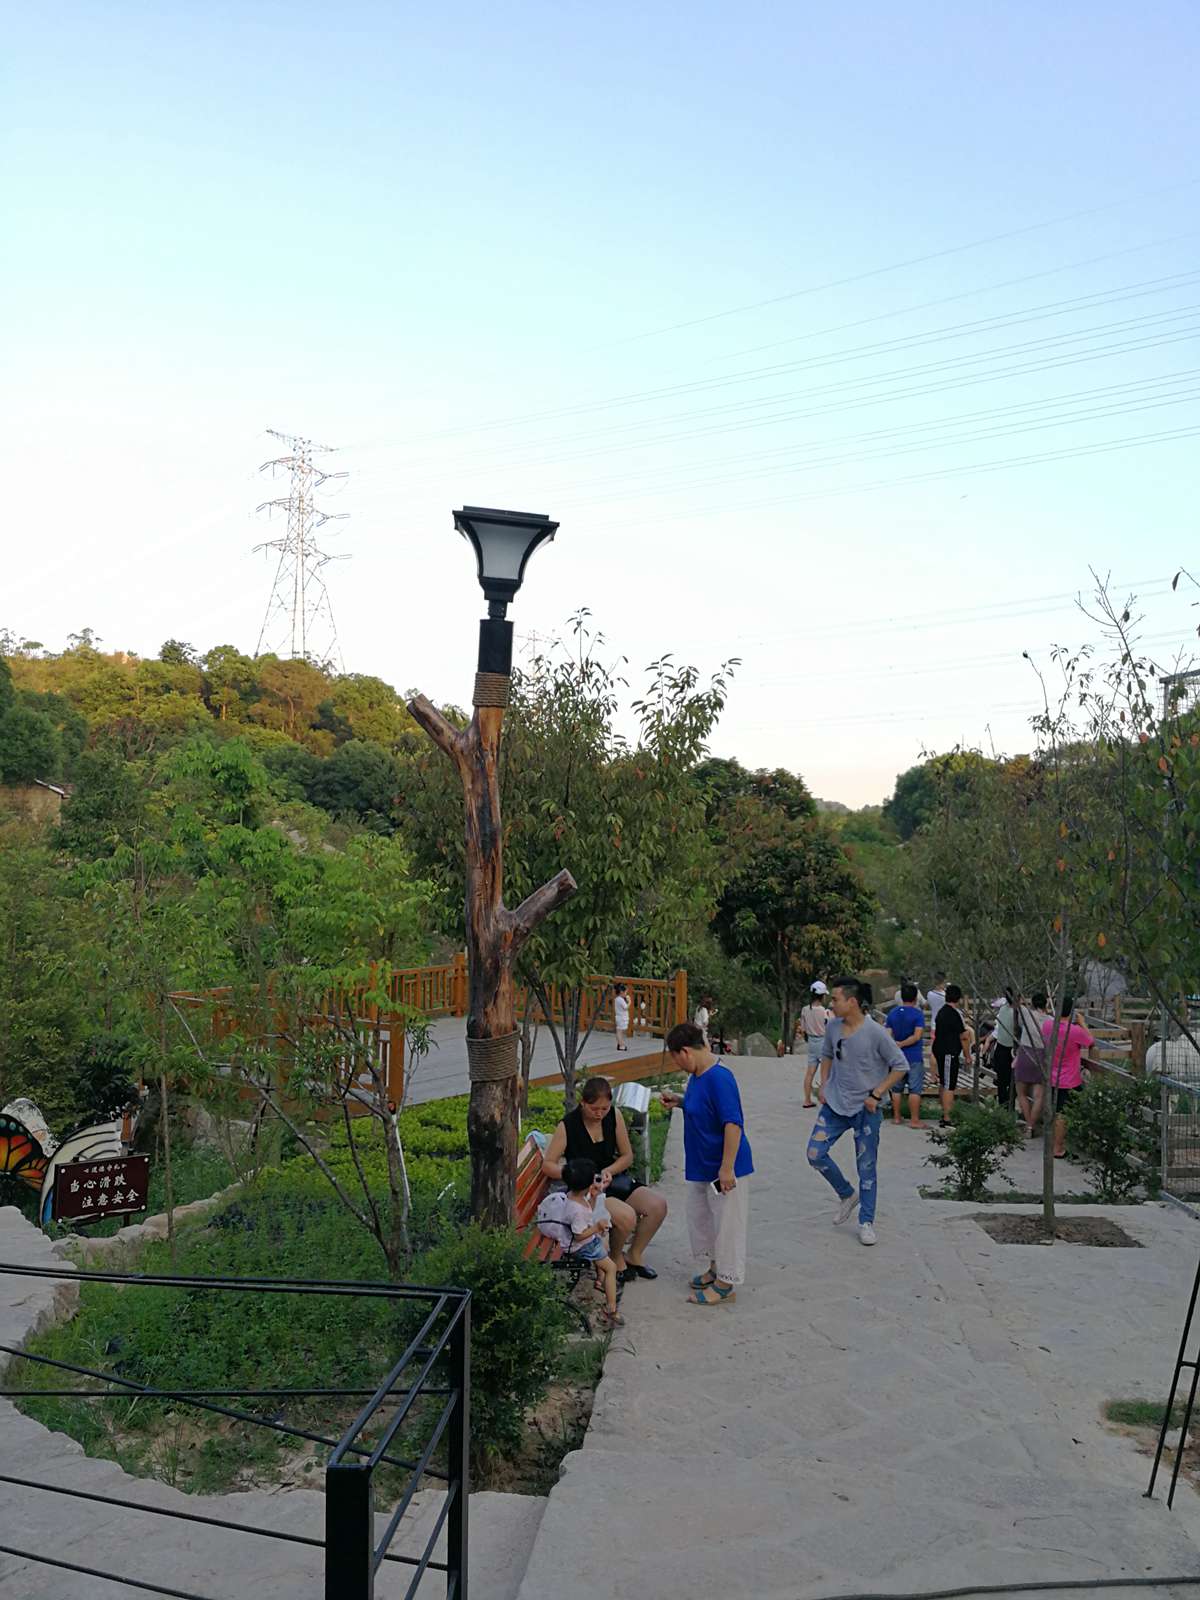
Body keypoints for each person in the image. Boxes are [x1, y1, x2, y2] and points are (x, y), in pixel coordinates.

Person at [807, 976, 908, 1246]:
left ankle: (866, 1222)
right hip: (835, 1104)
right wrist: (824, 1084)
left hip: (866, 1109)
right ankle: (846, 1194)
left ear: (852, 1001)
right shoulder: (833, 1026)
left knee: (867, 1167)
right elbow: (827, 1054)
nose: (831, 1003)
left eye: (836, 999)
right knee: (815, 1153)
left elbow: (900, 1066)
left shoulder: (876, 1032)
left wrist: (877, 1094)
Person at [662, 1021, 753, 1305]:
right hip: (702, 1164)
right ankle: (715, 1267)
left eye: (676, 1058)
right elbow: (702, 1107)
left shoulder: (719, 1078)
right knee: (703, 1219)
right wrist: (680, 1102)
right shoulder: (697, 1076)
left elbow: (732, 1124)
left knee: (727, 1224)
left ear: (685, 1052)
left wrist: (727, 1167)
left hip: (723, 1167)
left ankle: (726, 1282)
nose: (677, 1065)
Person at [542, 1076, 668, 1281]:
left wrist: (608, 1170)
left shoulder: (614, 1116)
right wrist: (578, 1173)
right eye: (594, 1109)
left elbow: (627, 1156)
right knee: (627, 1217)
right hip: (588, 1190)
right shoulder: (568, 1125)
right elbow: (548, 1165)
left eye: (605, 1108)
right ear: (583, 1103)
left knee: (658, 1206)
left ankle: (634, 1255)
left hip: (612, 1178)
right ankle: (615, 1258)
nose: (600, 1114)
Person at [536, 1157, 623, 1328]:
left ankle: (601, 1280)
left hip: (581, 1241)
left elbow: (586, 1213)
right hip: (582, 1246)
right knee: (611, 1267)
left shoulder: (573, 1196)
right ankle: (611, 1309)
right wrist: (597, 1227)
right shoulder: (576, 1211)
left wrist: (594, 1197)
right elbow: (578, 1236)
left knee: (603, 1256)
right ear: (587, 1185)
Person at [1043, 997, 1096, 1159]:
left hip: (1050, 1076)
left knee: (1055, 1111)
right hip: (1068, 1079)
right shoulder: (1074, 1031)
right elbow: (1090, 1041)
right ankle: (1058, 1148)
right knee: (1062, 1114)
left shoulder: (1047, 1025)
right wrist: (1082, 1023)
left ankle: (1055, 1143)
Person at [884, 982, 926, 1127]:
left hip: (897, 1057)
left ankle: (896, 1117)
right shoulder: (918, 1014)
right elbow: (917, 1036)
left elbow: (887, 1035)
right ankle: (914, 1120)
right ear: (915, 998)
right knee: (915, 1089)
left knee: (896, 1088)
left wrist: (896, 1044)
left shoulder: (892, 1013)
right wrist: (903, 1043)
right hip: (914, 1055)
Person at [931, 984, 970, 1126]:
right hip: (949, 1052)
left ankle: (944, 1112)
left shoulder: (941, 1012)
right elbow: (964, 1036)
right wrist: (967, 1055)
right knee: (949, 1085)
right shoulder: (954, 1014)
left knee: (944, 1082)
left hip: (939, 1050)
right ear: (958, 998)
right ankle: (947, 1118)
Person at [1014, 991, 1051, 1135]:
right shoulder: (1050, 1020)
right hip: (1041, 1056)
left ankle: (1028, 1123)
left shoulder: (1027, 1014)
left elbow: (1016, 1003)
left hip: (1025, 1053)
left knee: (1021, 1093)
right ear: (1046, 1004)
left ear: (1033, 1004)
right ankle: (1031, 1126)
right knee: (1039, 1096)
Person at [798, 981, 831, 1109]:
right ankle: (826, 1099)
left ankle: (807, 1100)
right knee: (825, 1073)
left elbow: (803, 1028)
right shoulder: (824, 1011)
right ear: (822, 996)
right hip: (823, 1042)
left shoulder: (805, 1009)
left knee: (810, 1072)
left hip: (811, 1042)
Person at [991, 989, 1019, 1110]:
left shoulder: (1003, 1009)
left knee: (1002, 1082)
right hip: (1011, 1051)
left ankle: (1003, 1106)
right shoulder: (1017, 1013)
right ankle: (1009, 1106)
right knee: (1013, 1082)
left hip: (1001, 1048)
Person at [613, 983, 630, 1052]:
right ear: (621, 992)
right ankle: (621, 1045)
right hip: (621, 1018)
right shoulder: (620, 1000)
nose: (626, 994)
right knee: (619, 1032)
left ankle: (620, 1043)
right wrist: (629, 1002)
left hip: (620, 1018)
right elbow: (625, 1007)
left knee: (620, 1031)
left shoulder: (617, 999)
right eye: (625, 992)